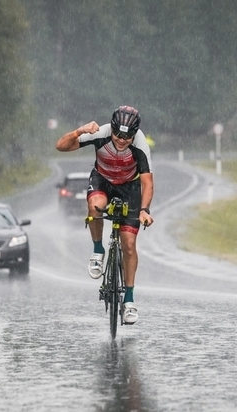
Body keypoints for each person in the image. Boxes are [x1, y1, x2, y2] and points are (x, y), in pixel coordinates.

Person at [56, 105, 154, 325]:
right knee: (95, 207)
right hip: (102, 180)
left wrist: (145, 210)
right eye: (117, 135)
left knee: (129, 244)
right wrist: (78, 132)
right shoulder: (99, 132)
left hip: (129, 187)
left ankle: (129, 301)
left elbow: (147, 182)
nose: (121, 140)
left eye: (126, 137)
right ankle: (98, 251)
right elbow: (60, 146)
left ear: (134, 134)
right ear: (111, 129)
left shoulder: (140, 143)